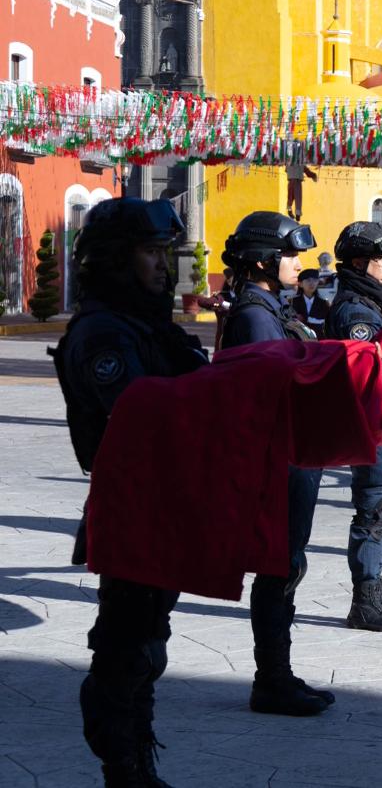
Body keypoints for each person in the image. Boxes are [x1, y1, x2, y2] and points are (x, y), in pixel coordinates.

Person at [50, 197, 208, 786]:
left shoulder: (145, 323)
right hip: (130, 506)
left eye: (164, 252)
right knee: (125, 650)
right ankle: (123, 769)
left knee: (149, 640)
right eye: (149, 252)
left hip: (162, 500)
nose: (162, 265)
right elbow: (142, 416)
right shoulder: (104, 333)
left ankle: (138, 762)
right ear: (116, 259)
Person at [221, 211, 336, 717]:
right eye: (289, 255)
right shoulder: (254, 315)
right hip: (278, 457)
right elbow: (268, 387)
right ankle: (271, 678)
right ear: (265, 259)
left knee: (288, 564)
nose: (296, 263)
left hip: (292, 452)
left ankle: (278, 673)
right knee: (279, 566)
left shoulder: (269, 307)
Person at [324, 221, 382, 632]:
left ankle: (370, 596)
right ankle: (366, 601)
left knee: (380, 507)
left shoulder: (376, 301)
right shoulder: (354, 310)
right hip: (371, 423)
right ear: (358, 262)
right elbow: (358, 366)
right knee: (373, 511)